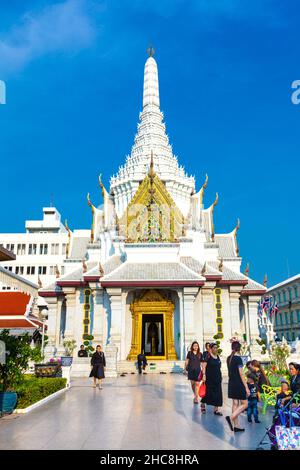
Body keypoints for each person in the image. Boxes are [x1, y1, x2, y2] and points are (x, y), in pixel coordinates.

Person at [225, 341, 250, 433]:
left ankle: (236, 426)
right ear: (239, 348)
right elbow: (241, 373)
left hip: (231, 382)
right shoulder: (238, 359)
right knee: (245, 404)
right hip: (238, 383)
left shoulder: (229, 358)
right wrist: (246, 387)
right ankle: (231, 418)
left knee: (235, 403)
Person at [201, 342, 223, 416]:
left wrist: (221, 376)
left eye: (216, 347)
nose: (216, 349)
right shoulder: (208, 356)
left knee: (218, 393)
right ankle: (203, 404)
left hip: (217, 378)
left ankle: (216, 410)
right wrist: (204, 375)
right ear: (210, 349)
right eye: (214, 348)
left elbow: (219, 366)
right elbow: (203, 366)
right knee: (208, 392)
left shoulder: (217, 356)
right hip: (209, 378)